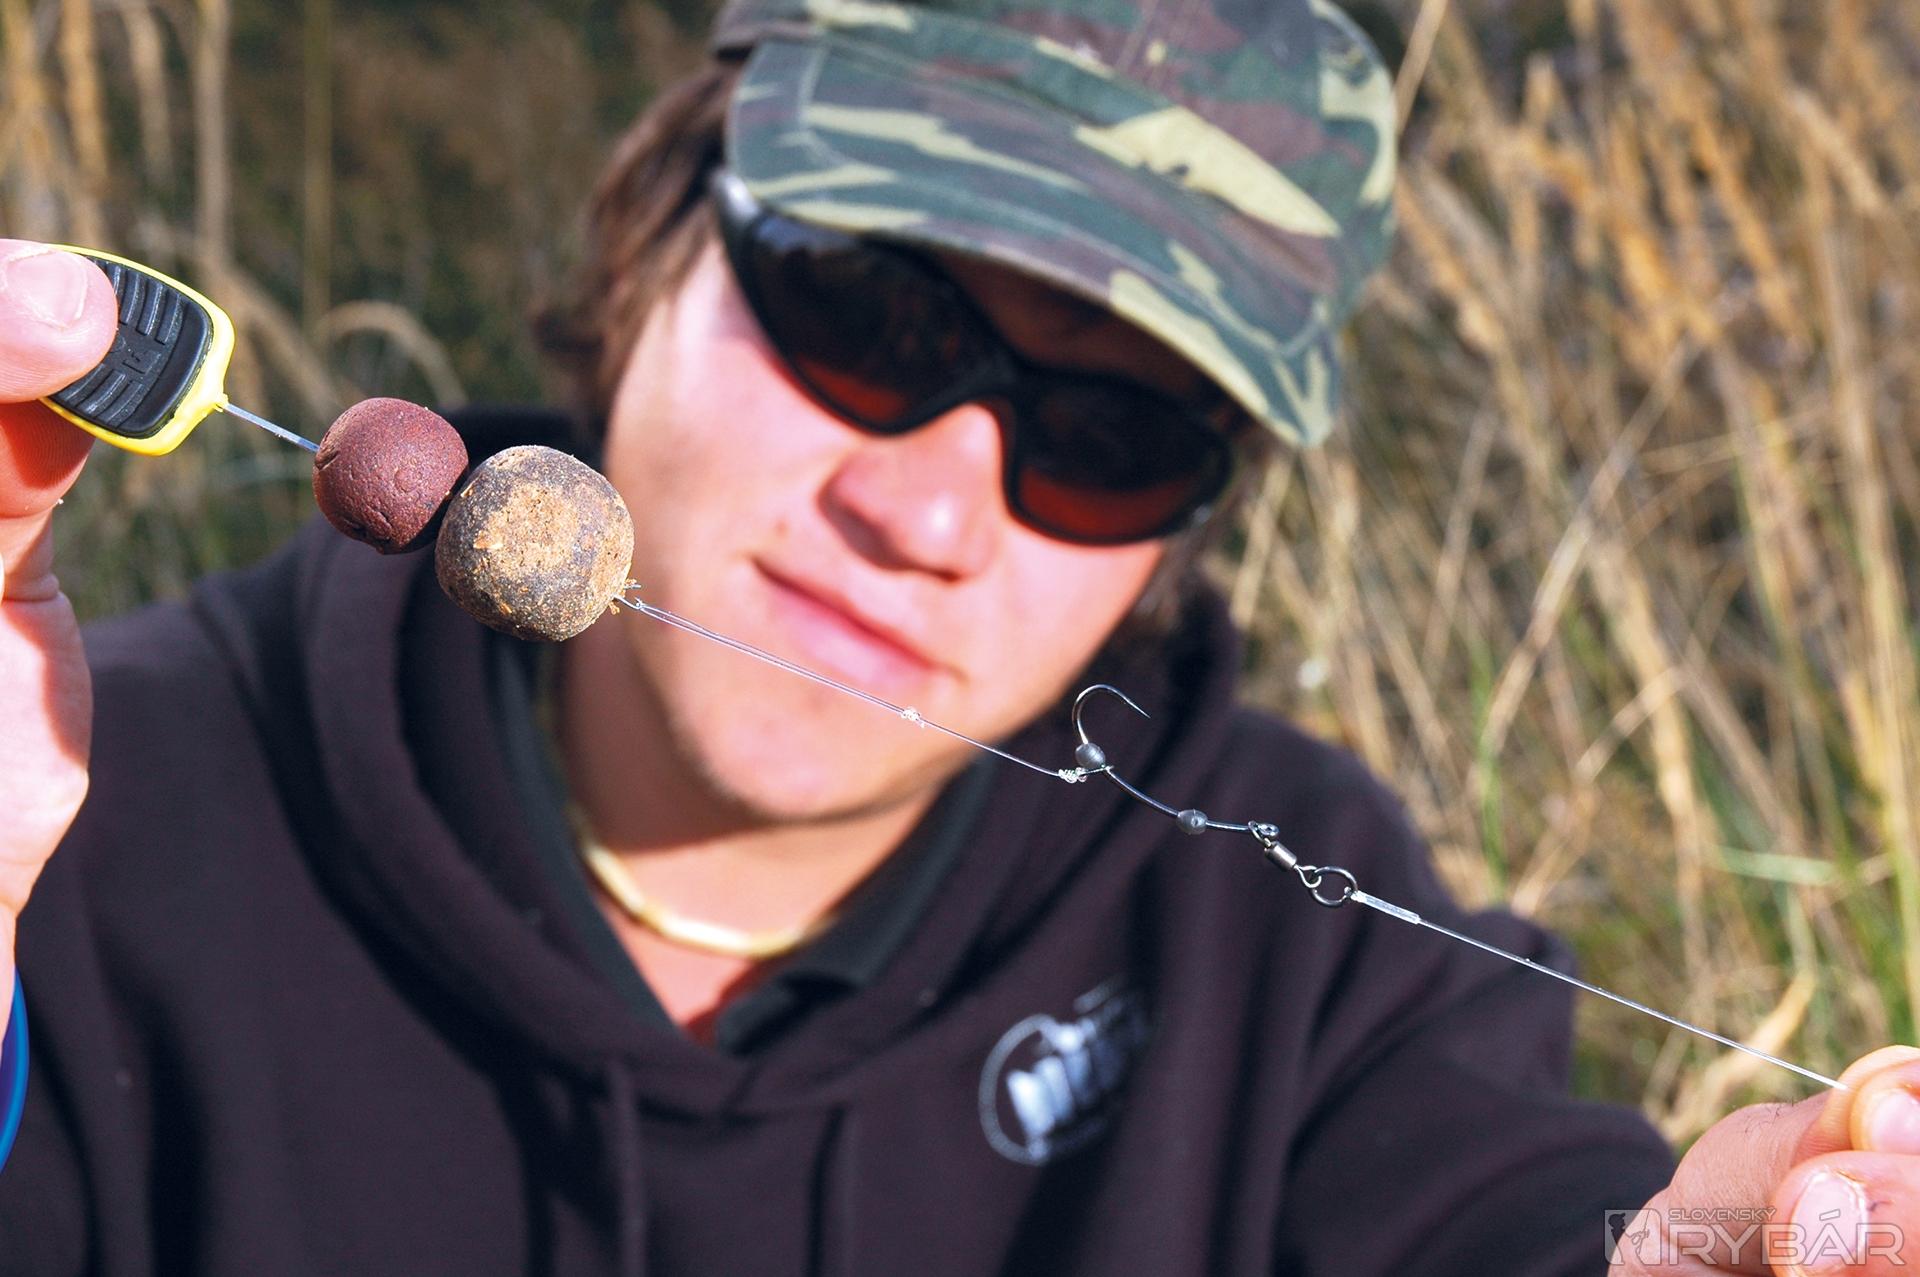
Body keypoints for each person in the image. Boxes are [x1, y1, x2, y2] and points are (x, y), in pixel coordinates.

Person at [1, 0, 1917, 1273]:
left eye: (1107, 434)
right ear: (653, 240)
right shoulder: (80, 814)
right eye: (871, 315)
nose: (923, 511)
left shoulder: (1316, 965)